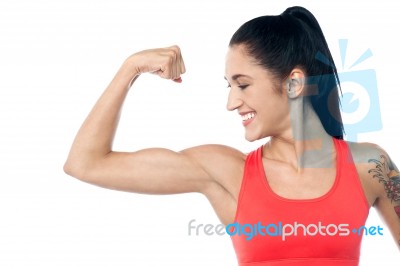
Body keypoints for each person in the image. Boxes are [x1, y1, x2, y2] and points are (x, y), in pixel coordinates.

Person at [64, 6, 400, 265]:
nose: (231, 102)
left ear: (294, 83)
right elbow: (85, 164)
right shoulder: (226, 172)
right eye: (229, 86)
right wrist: (131, 67)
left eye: (243, 84)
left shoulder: (370, 166)